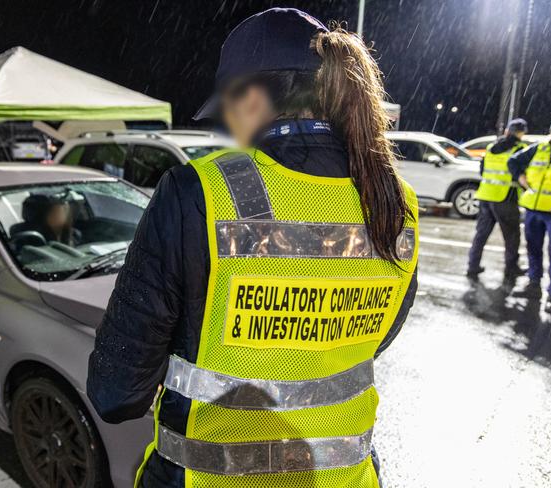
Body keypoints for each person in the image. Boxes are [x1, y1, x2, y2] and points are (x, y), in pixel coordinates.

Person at [87, 8, 419, 488]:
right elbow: (375, 338)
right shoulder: (396, 203)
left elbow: (115, 392)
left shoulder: (198, 193)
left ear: (252, 100)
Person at [467, 118, 528, 285]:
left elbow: (482, 170)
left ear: (507, 131)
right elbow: (523, 175)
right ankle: (511, 269)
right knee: (512, 236)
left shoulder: (491, 148)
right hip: (505, 199)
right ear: (521, 134)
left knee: (481, 235)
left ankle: (472, 266)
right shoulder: (520, 149)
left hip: (486, 196)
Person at [508, 115, 551, 312]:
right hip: (533, 209)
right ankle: (534, 285)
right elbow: (513, 162)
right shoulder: (539, 148)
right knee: (533, 248)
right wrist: (521, 178)